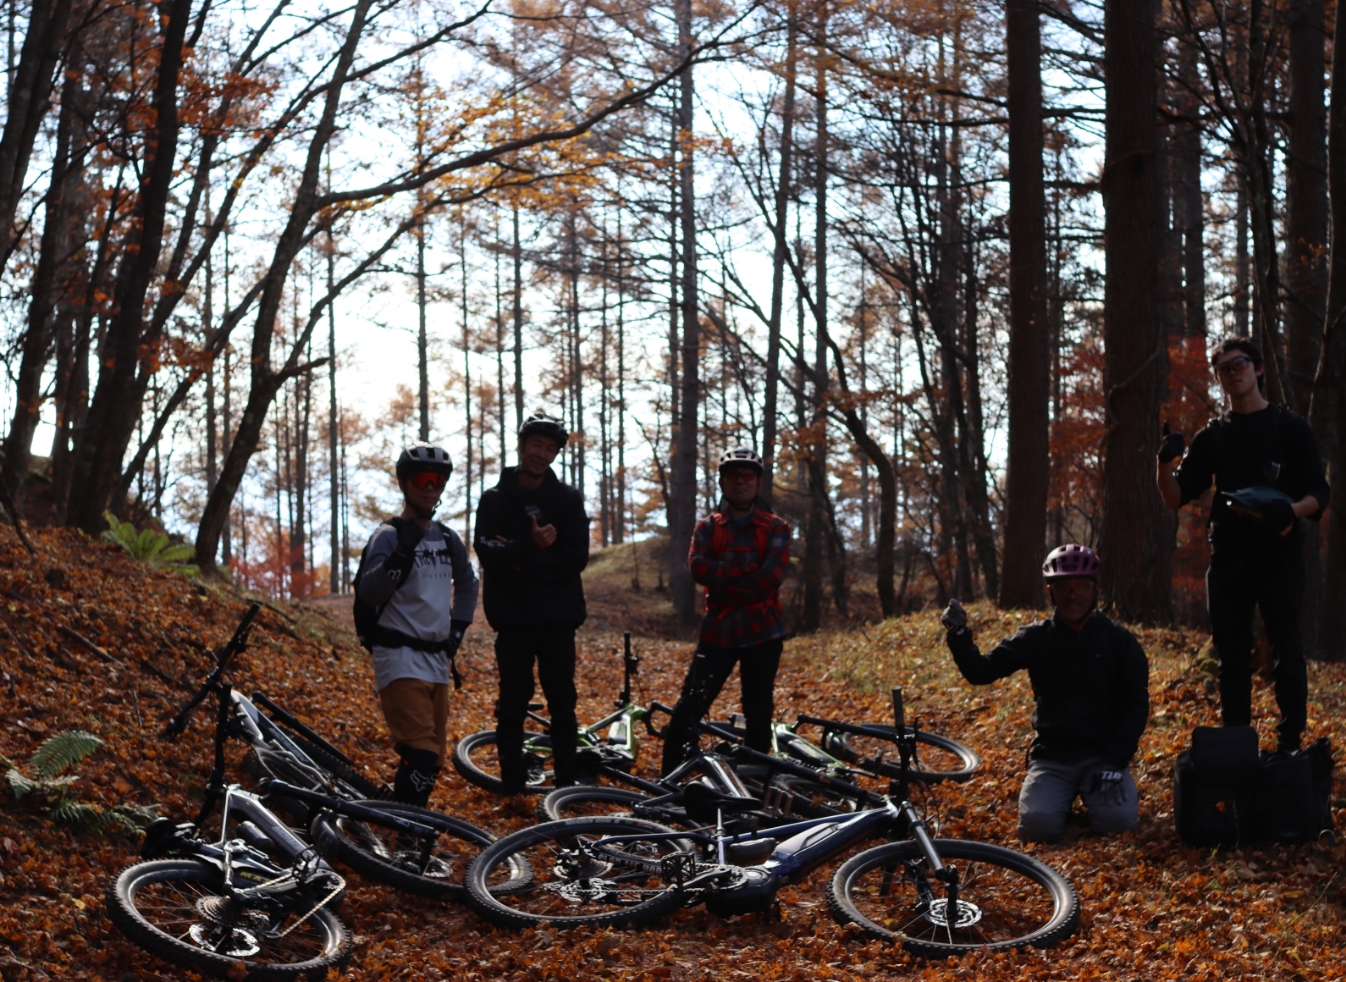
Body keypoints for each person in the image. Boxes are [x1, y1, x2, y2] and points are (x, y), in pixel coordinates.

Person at [1156, 336, 1329, 752]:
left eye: (1240, 364)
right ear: (1220, 378)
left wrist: (1290, 511)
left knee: (1287, 649)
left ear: (1259, 369)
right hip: (1229, 559)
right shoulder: (1213, 436)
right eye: (1225, 368)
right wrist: (1163, 464)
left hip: (1280, 557)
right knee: (1231, 655)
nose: (1234, 372)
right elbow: (1175, 497)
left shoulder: (1290, 428)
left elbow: (1319, 495)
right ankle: (1237, 744)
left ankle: (1290, 744)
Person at [940, 545, 1149, 843]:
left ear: (1096, 591)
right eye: (1063, 587)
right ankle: (1057, 800)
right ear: (1051, 592)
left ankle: (1090, 799)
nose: (1072, 595)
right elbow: (982, 672)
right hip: (1053, 758)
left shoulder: (1120, 641)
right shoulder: (1037, 638)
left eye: (1081, 587)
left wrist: (1115, 761)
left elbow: (1136, 705)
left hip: (1102, 758)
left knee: (1118, 825)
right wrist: (959, 636)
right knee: (1037, 829)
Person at [356, 442, 478, 809]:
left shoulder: (446, 538)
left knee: (430, 760)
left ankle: (403, 823)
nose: (430, 487)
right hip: (398, 656)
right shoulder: (388, 536)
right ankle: (407, 838)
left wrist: (457, 631)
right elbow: (369, 593)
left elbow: (469, 584)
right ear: (405, 483)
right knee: (422, 753)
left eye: (438, 481)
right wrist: (400, 555)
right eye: (422, 479)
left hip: (437, 660)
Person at [474, 411, 590, 792]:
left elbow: (576, 558)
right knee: (513, 698)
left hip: (558, 620)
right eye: (537, 445)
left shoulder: (567, 499)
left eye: (551, 448)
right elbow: (488, 554)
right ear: (522, 445)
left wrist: (520, 558)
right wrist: (533, 546)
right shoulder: (494, 500)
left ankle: (567, 784)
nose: (542, 454)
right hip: (514, 621)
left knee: (562, 700)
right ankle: (512, 783)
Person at [661, 447, 792, 775]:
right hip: (718, 633)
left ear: (758, 482)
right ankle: (667, 778)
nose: (741, 481)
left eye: (748, 475)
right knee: (690, 704)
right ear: (721, 482)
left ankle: (754, 781)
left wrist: (724, 575)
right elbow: (698, 570)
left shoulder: (776, 528)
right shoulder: (707, 528)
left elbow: (770, 578)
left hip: (764, 633)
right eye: (733, 474)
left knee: (758, 710)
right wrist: (746, 571)